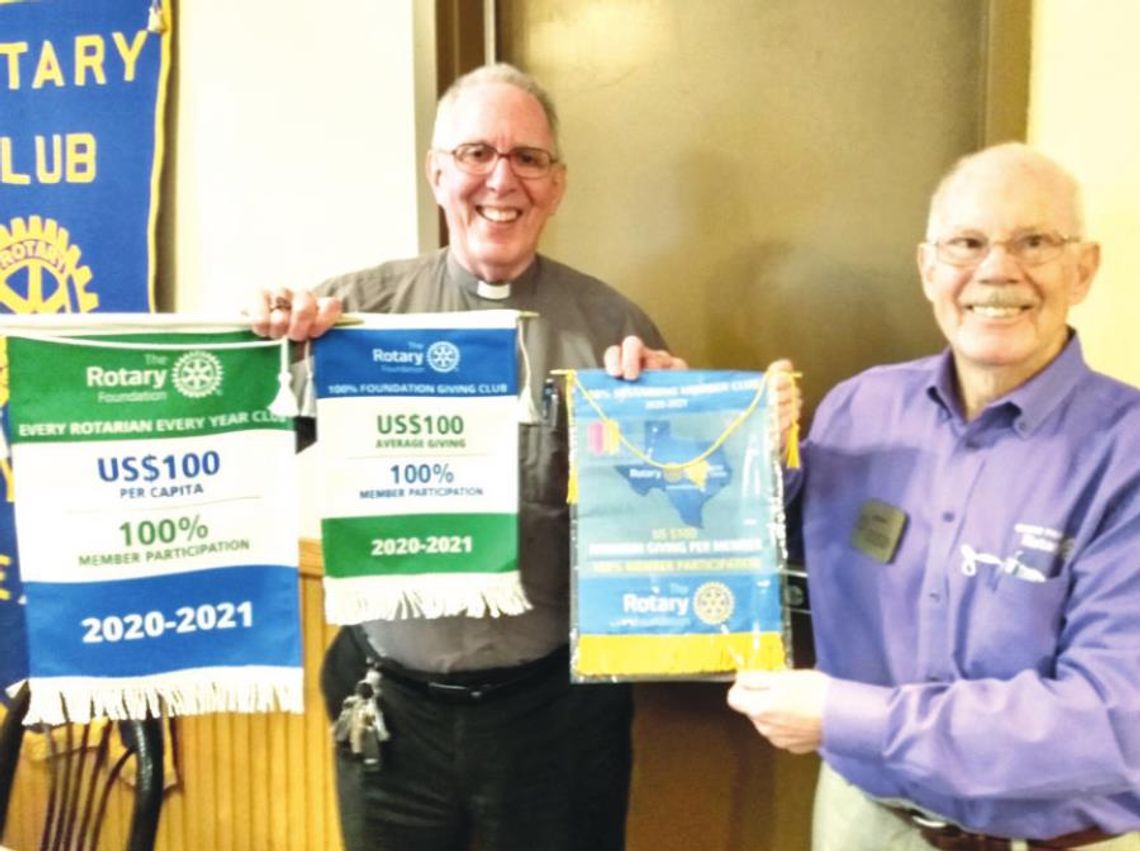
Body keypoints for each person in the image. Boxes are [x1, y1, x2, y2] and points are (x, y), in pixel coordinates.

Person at [249, 64, 685, 851]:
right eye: (477, 152)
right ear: (437, 172)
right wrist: (257, 351)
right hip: (391, 712)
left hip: (558, 715)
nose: (501, 179)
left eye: (528, 158)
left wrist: (681, 426)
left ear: (556, 184)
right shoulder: (351, 318)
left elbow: (674, 525)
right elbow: (242, 451)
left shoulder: (614, 326)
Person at [727, 143, 1140, 850]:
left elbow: (1113, 718)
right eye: (967, 243)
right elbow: (774, 553)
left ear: (1084, 268)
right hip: (862, 816)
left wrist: (849, 714)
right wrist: (706, 445)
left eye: (1033, 241)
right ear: (928, 268)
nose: (996, 269)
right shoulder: (861, 407)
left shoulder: (1126, 453)